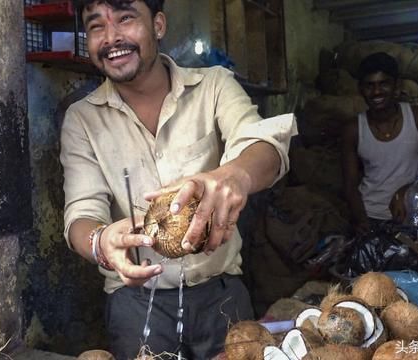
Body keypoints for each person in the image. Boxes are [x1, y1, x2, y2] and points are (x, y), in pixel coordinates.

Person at [60, 0, 297, 358]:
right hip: (135, 304)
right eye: (96, 26)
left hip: (221, 294)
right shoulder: (82, 119)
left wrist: (233, 175)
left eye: (125, 19)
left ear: (158, 25)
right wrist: (101, 241)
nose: (111, 38)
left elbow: (265, 144)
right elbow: (80, 212)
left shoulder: (214, 85)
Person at [342, 52, 418, 235]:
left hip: (413, 216)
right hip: (371, 216)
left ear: (397, 86)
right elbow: (350, 185)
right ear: (360, 89)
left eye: (384, 84)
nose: (377, 92)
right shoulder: (353, 129)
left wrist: (405, 191)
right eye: (369, 86)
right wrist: (361, 220)